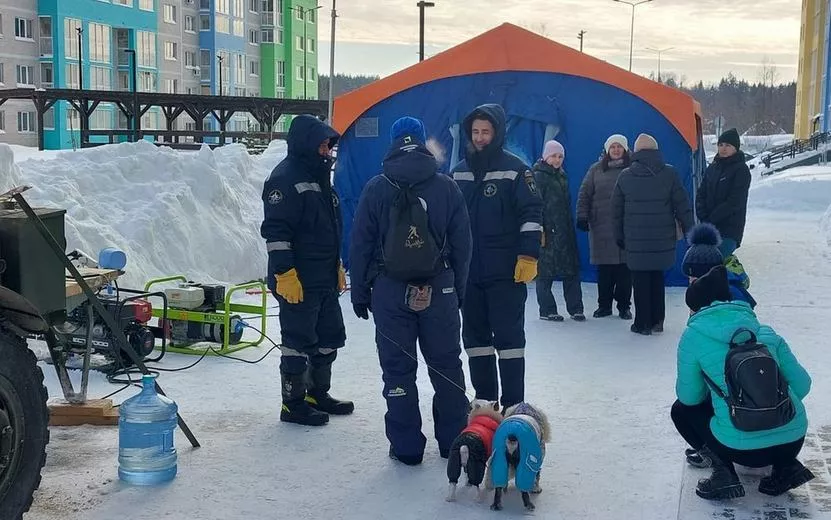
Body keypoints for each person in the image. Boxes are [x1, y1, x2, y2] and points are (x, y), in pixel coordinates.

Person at [349, 116, 472, 465]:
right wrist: (457, 291)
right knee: (447, 366)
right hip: (440, 288)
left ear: (392, 142)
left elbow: (360, 244)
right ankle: (453, 442)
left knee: (398, 371)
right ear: (421, 142)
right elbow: (464, 246)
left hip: (390, 292)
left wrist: (361, 291)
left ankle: (406, 447)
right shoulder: (447, 187)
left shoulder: (376, 187)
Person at [672, 264, 814, 500]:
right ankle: (785, 468)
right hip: (792, 440)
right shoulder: (764, 331)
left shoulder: (694, 337)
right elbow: (802, 385)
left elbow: (690, 398)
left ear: (696, 308)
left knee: (680, 410)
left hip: (740, 450)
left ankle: (723, 472)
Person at [260, 114, 354, 427]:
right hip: (297, 280)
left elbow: (327, 228)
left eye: (330, 145)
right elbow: (276, 232)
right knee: (297, 342)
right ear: (308, 144)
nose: (328, 150)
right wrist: (285, 274)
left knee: (329, 338)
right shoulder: (285, 179)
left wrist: (336, 264)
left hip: (323, 277)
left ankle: (318, 393)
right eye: (324, 144)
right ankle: (293, 403)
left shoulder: (319, 178)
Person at [451, 103, 543, 410]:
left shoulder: (516, 170)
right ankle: (485, 403)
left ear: (498, 133)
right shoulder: (459, 172)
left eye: (485, 132)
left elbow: (531, 214)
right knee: (476, 343)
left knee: (509, 341)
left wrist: (528, 255)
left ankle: (514, 406)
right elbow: (448, 221)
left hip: (506, 273)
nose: (479, 138)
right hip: (469, 276)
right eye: (475, 132)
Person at [612, 133, 694, 335]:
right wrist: (691, 231)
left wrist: (619, 236)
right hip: (662, 239)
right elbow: (682, 205)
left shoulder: (625, 176)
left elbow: (616, 212)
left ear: (636, 151)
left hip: (635, 239)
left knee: (639, 280)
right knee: (658, 278)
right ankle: (658, 320)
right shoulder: (670, 174)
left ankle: (642, 323)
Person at [577, 134, 633, 320]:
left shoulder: (633, 169)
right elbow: (584, 194)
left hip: (626, 227)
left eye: (619, 147)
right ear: (607, 150)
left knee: (625, 271)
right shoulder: (596, 170)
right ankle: (604, 306)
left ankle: (624, 306)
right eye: (613, 147)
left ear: (625, 149)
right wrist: (582, 217)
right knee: (605, 272)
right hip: (601, 227)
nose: (616, 150)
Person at [533, 139, 584, 322]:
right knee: (545, 272)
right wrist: (540, 229)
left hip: (564, 231)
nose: (557, 160)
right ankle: (547, 309)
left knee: (571, 270)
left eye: (560, 156)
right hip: (547, 232)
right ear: (546, 156)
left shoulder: (562, 176)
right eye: (554, 156)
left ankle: (576, 308)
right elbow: (535, 205)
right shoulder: (538, 177)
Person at [695, 128, 752, 258]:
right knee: (703, 265)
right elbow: (701, 193)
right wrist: (702, 215)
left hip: (729, 229)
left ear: (735, 148)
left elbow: (735, 201)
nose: (723, 148)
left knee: (716, 262)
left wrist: (713, 217)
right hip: (708, 227)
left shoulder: (741, 170)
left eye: (728, 145)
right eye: (720, 145)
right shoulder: (712, 168)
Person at [681, 222, 756, 308]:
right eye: (689, 277)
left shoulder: (731, 297)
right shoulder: (705, 293)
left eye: (695, 278)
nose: (691, 281)